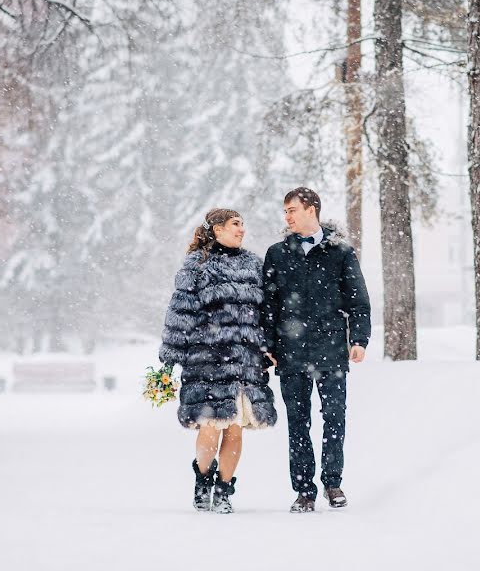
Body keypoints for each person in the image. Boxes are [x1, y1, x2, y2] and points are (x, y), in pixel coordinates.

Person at [159, 208, 277, 514]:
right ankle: (203, 481)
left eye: (242, 225)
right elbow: (179, 314)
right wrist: (169, 360)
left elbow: (265, 314)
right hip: (208, 360)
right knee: (211, 425)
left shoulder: (254, 264)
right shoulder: (197, 266)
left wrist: (268, 347)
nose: (241, 230)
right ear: (217, 229)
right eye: (235, 225)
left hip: (245, 361)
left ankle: (224, 491)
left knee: (235, 427)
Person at [261, 187, 371, 513]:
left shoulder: (341, 253)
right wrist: (268, 345)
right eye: (285, 212)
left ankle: (333, 482)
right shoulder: (277, 254)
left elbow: (358, 301)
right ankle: (304, 490)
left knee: (335, 417)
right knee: (298, 421)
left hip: (331, 350)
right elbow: (267, 305)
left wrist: (359, 339)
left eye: (292, 210)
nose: (287, 216)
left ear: (311, 209)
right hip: (290, 353)